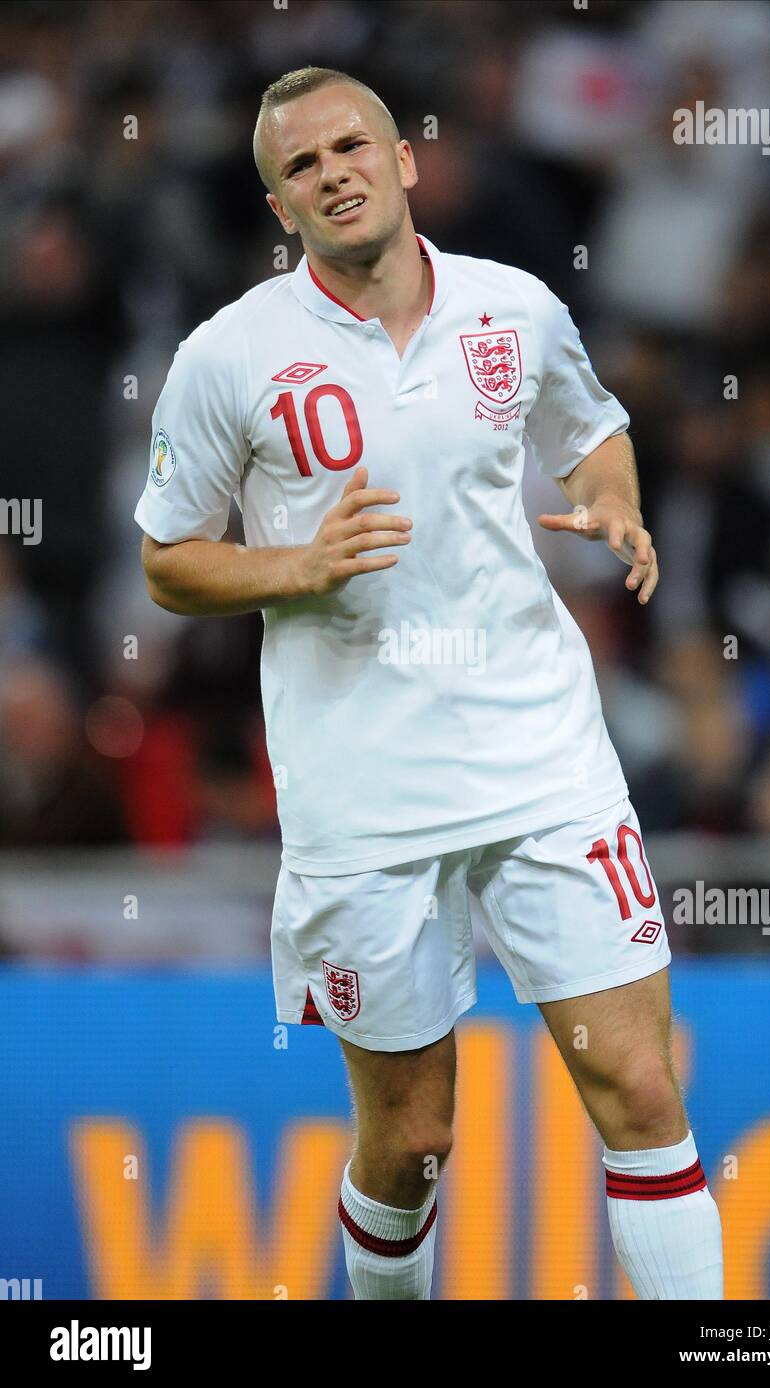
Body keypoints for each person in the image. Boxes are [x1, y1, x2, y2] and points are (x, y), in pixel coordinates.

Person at [136, 66, 722, 1301]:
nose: (334, 170)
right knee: (410, 1146)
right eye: (302, 165)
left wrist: (613, 497)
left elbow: (592, 425)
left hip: (544, 754)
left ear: (404, 163)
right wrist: (295, 564)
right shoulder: (227, 357)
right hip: (365, 793)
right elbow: (168, 559)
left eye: (354, 144)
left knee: (642, 1081)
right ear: (279, 206)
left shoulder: (514, 308)